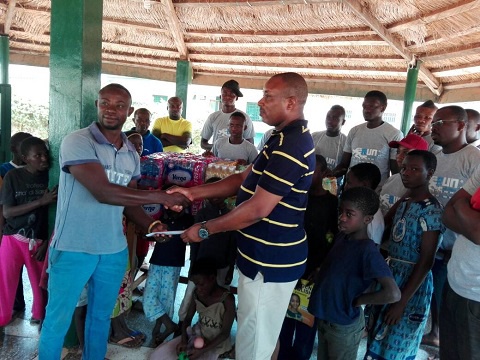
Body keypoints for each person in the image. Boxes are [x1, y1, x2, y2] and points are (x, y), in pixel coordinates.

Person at [169, 72, 316, 359]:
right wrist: (194, 193)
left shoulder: (292, 146)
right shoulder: (279, 138)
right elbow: (244, 177)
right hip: (258, 256)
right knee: (256, 334)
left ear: (291, 102)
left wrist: (205, 229)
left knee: (254, 343)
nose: (260, 102)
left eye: (268, 96)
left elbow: (258, 209)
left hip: (271, 261)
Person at [38, 83, 189, 360]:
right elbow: (103, 191)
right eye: (105, 102)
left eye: (119, 105)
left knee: (100, 319)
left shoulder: (132, 153)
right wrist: (161, 196)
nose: (111, 109)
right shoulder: (78, 141)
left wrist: (152, 225)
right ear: (97, 105)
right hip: (74, 247)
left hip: (112, 251)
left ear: (129, 112)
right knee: (57, 320)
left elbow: (126, 201)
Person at [365, 150, 445, 359]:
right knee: (377, 336)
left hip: (411, 284)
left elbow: (426, 261)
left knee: (396, 343)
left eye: (415, 169)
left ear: (430, 173)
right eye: (404, 168)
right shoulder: (406, 202)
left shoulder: (431, 210)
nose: (407, 173)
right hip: (391, 275)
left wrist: (401, 302)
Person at [308, 187, 401, 360]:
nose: (341, 218)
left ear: (367, 219)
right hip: (327, 316)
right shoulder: (343, 237)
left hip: (344, 325)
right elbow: (338, 266)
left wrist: (358, 301)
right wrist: (320, 273)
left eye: (349, 214)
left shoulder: (368, 251)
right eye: (340, 211)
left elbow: (393, 293)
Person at [422, 105, 480, 348]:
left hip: (454, 247)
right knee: (433, 294)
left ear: (460, 126)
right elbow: (451, 206)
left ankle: (436, 332)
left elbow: (467, 211)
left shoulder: (474, 159)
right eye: (433, 123)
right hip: (430, 238)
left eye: (440, 123)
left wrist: (458, 210)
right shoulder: (433, 154)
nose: (433, 128)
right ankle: (433, 332)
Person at [278, 155, 338, 360]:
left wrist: (321, 268)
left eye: (311, 170)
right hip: (291, 266)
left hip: (313, 270)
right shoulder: (297, 197)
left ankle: (300, 356)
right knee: (285, 317)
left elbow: (335, 239)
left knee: (306, 320)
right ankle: (283, 354)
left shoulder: (332, 204)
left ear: (323, 174)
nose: (305, 174)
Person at [0, 137, 57, 326]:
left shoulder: (51, 176)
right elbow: (8, 212)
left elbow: (57, 214)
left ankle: (40, 318)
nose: (43, 159)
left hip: (38, 243)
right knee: (5, 284)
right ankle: (2, 320)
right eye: (37, 155)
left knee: (40, 285)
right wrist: (40, 201)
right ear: (25, 158)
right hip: (13, 238)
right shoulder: (13, 177)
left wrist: (47, 242)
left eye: (45, 154)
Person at [176, 177, 236, 335]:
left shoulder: (231, 215)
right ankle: (181, 326)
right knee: (190, 296)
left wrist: (230, 268)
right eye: (212, 194)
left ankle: (217, 332)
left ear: (226, 194)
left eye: (219, 193)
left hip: (221, 266)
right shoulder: (202, 214)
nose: (215, 197)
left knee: (221, 298)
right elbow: (195, 245)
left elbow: (232, 245)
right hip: (200, 268)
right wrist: (192, 265)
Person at [150, 258, 235, 360]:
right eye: (196, 284)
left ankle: (222, 354)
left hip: (216, 344)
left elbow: (225, 333)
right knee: (157, 355)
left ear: (212, 278)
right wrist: (184, 341)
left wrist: (202, 351)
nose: (198, 288)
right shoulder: (197, 294)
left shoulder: (227, 299)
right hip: (197, 336)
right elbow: (187, 320)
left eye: (202, 284)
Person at [439, 165, 480, 359]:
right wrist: (471, 226)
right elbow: (447, 213)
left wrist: (462, 206)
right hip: (455, 280)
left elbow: (478, 232)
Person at [144, 189, 194, 346]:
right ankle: (169, 325)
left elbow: (192, 240)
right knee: (149, 297)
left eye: (179, 203)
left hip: (173, 264)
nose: (175, 206)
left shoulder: (188, 221)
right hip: (156, 261)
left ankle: (159, 329)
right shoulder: (161, 220)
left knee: (166, 298)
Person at [333, 90, 403, 188]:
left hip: (376, 193)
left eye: (372, 106)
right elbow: (344, 164)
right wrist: (331, 174)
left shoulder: (394, 134)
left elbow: (395, 170)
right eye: (364, 106)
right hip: (351, 190)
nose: (366, 110)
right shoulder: (354, 131)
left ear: (383, 108)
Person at [0, 131, 33, 320]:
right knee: (10, 273)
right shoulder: (4, 171)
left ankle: (21, 304)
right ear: (14, 149)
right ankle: (14, 304)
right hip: (11, 229)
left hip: (30, 231)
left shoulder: (35, 170)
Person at [379, 134, 429, 216]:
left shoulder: (425, 187)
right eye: (398, 152)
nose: (399, 156)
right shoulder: (391, 179)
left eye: (406, 152)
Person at [200, 80, 255, 151]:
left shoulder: (244, 118)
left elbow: (250, 145)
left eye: (232, 94)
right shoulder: (213, 117)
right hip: (216, 161)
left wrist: (232, 148)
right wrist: (218, 147)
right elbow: (203, 143)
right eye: (224, 94)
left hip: (237, 161)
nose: (228, 97)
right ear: (220, 96)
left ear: (237, 98)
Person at [344, 163, 384, 245]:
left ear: (364, 185)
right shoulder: (361, 209)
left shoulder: (373, 218)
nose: (345, 187)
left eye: (349, 182)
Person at [311, 105, 347, 170]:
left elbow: (345, 166)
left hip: (333, 179)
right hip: (312, 179)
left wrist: (332, 174)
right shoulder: (314, 136)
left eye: (335, 118)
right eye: (328, 117)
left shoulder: (346, 142)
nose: (330, 121)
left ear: (343, 122)